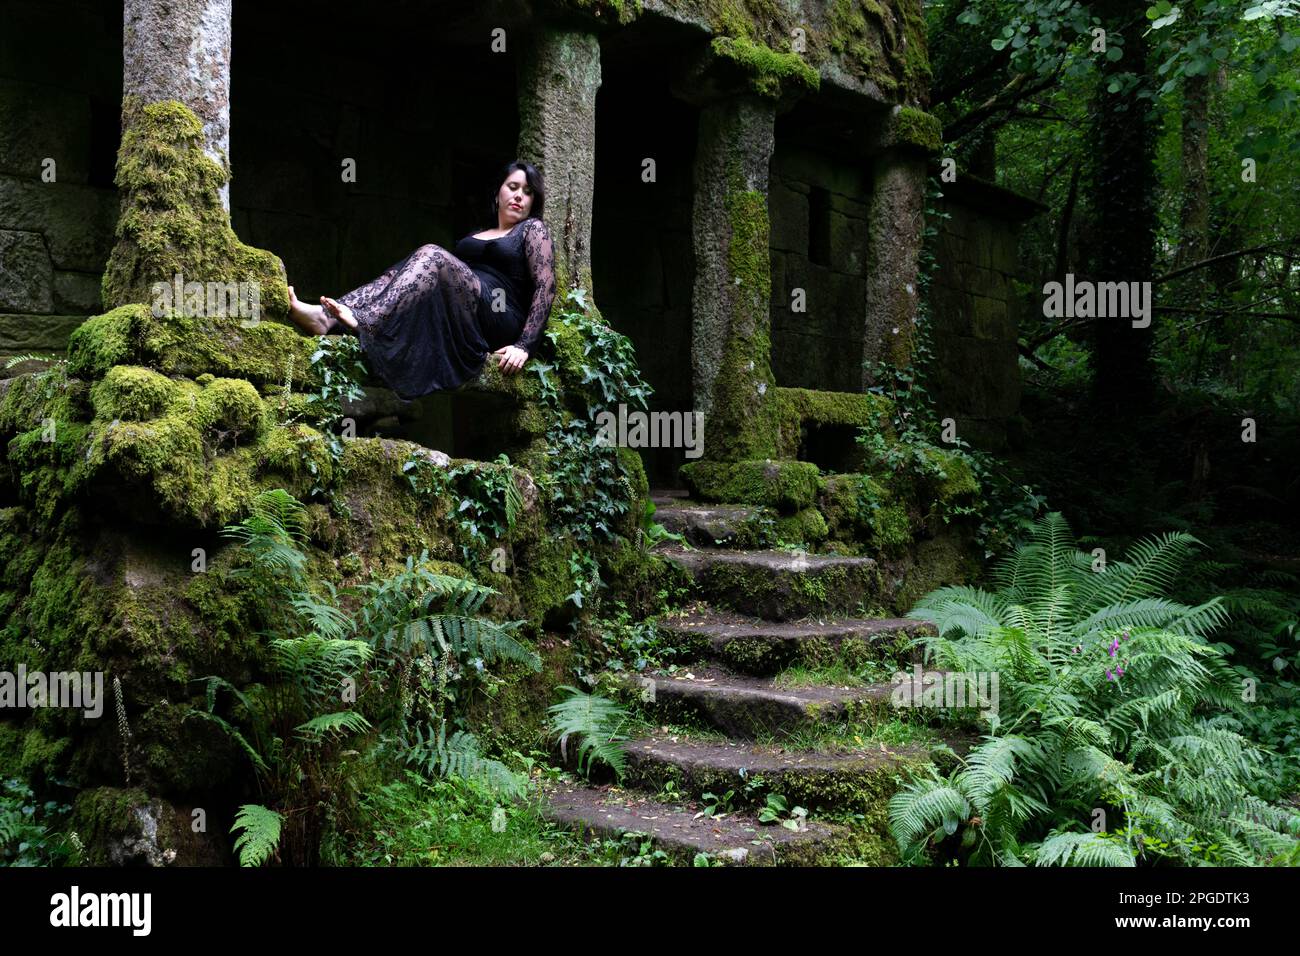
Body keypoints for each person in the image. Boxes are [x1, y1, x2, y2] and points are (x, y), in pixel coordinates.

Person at [286, 161, 557, 400]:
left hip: (499, 314)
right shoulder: (478, 233)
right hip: (464, 314)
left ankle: (368, 322)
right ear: (498, 192)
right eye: (513, 187)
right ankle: (325, 318)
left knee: (432, 255)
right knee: (396, 274)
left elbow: (546, 286)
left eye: (528, 192)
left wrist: (525, 346)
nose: (520, 196)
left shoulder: (532, 229)